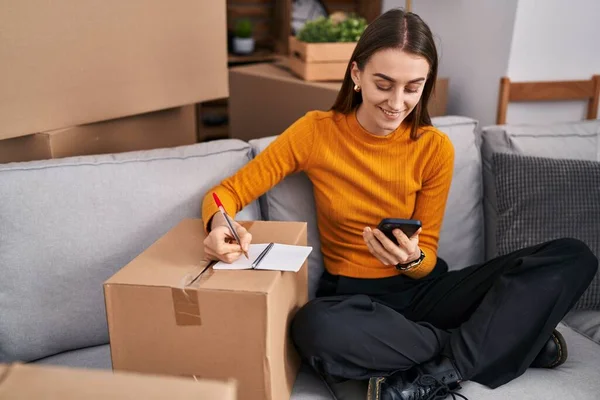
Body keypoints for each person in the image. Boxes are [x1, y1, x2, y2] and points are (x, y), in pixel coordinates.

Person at [201, 8, 598, 400]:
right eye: (383, 84)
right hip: (353, 299)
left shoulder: (433, 147)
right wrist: (219, 225)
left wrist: (409, 260)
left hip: (425, 290)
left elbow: (427, 256)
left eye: (413, 87)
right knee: (314, 328)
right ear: (356, 75)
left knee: (573, 255)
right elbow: (227, 193)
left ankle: (459, 360)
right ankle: (499, 343)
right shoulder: (315, 132)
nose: (397, 102)